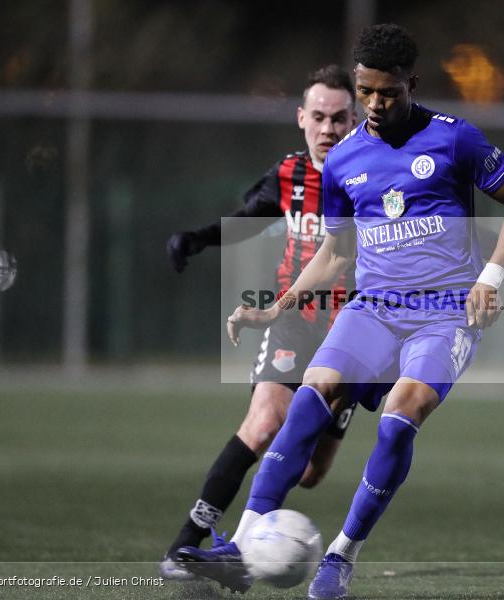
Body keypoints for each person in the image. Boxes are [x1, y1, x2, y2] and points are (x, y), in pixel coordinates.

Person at [175, 23, 504, 600]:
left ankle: (341, 555)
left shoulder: (454, 138)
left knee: (399, 415)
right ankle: (244, 541)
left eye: (388, 92)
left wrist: (490, 279)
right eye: (367, 92)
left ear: (412, 83)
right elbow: (335, 254)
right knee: (313, 392)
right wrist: (276, 308)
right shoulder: (344, 160)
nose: (376, 104)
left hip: (443, 313)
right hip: (375, 306)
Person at [159, 65, 361, 579]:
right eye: (318, 117)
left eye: (339, 118)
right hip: (293, 318)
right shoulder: (290, 173)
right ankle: (188, 543)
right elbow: (250, 215)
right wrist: (201, 238)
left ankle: (252, 541)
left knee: (313, 472)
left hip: (354, 332)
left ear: (354, 119)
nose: (328, 129)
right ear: (301, 118)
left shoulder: (374, 175)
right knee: (266, 420)